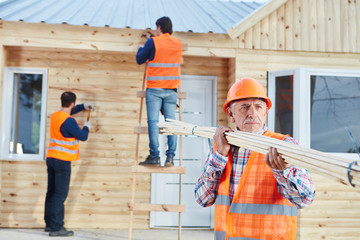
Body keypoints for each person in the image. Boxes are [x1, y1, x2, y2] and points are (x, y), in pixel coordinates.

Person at [194, 78, 315, 240]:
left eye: (258, 107)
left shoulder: (282, 145)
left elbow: (305, 199)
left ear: (265, 112)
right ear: (231, 113)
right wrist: (219, 156)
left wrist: (283, 171)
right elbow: (203, 199)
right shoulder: (221, 145)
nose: (252, 113)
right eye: (244, 107)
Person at [44, 91, 94, 237]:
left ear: (63, 102)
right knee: (60, 195)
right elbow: (83, 136)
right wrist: (87, 127)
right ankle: (57, 228)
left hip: (52, 158)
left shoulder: (55, 116)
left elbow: (69, 111)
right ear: (72, 103)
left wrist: (83, 106)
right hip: (62, 161)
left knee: (51, 193)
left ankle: (49, 224)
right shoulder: (69, 121)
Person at [136, 16, 182, 167]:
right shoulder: (177, 44)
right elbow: (164, 50)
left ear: (160, 27)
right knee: (172, 124)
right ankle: (170, 158)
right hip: (171, 90)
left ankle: (155, 157)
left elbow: (140, 59)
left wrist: (142, 47)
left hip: (155, 89)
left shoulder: (152, 42)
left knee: (153, 123)